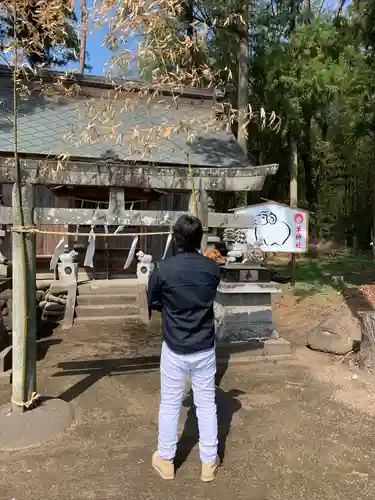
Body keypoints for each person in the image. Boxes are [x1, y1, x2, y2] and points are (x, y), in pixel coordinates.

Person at [148, 214, 221, 482]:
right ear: (199, 239)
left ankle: (166, 460)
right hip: (204, 346)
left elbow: (153, 301)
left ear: (175, 239)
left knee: (169, 403)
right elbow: (210, 292)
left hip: (175, 346)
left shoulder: (162, 268)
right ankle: (208, 463)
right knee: (206, 405)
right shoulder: (212, 269)